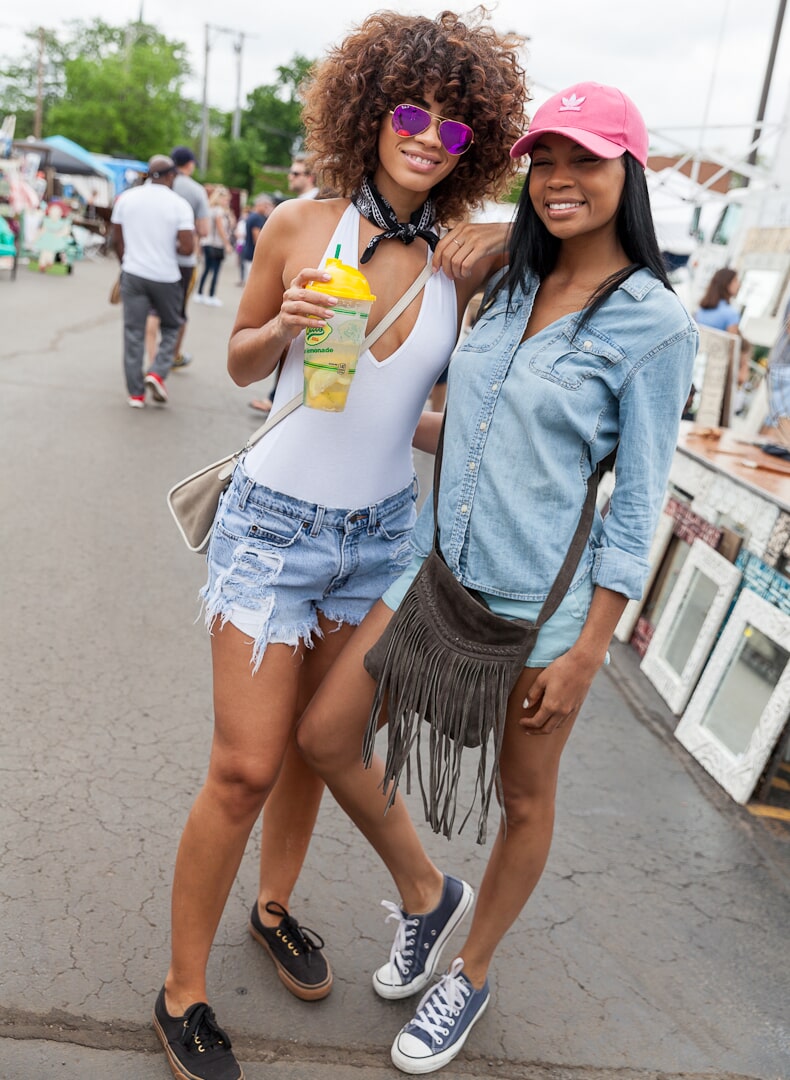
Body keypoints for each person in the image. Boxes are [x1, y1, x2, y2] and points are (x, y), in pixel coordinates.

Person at [152, 12, 528, 1080]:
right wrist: (284, 328)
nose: (427, 137)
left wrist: (503, 241)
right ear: (370, 112)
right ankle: (182, 993)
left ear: (477, 148)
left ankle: (273, 908)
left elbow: (418, 412)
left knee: (321, 744)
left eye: (456, 128)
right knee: (242, 767)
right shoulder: (296, 224)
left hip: (377, 537)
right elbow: (238, 366)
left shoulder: (462, 265)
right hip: (272, 527)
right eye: (411, 112)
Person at [294, 82, 698, 1074]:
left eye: (585, 161)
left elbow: (637, 504)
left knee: (524, 801)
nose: (559, 180)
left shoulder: (654, 326)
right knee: (324, 736)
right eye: (544, 161)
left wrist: (592, 652)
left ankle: (468, 974)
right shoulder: (507, 283)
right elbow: (455, 413)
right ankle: (431, 900)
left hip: (541, 615)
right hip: (432, 571)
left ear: (627, 173)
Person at [110, 155, 194, 408]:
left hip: (133, 274)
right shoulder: (179, 205)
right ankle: (157, 372)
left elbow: (116, 239)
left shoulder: (127, 198)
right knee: (171, 326)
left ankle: (136, 394)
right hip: (166, 277)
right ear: (170, 176)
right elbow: (188, 248)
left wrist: (127, 260)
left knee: (133, 331)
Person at [169, 145, 210, 368]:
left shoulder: (160, 184)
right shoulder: (195, 190)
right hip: (184, 260)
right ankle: (174, 354)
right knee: (179, 311)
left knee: (154, 310)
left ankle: (153, 352)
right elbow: (204, 230)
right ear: (190, 164)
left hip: (157, 256)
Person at [695, 267, 751, 388]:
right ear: (726, 284)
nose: (739, 285)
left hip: (697, 364)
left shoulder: (701, 310)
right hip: (717, 371)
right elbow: (733, 348)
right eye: (735, 281)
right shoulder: (730, 313)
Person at [194, 186, 234, 306]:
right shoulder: (219, 211)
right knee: (215, 270)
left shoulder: (211, 209)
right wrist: (227, 244)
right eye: (225, 200)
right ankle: (210, 294)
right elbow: (221, 229)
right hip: (216, 244)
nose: (227, 202)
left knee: (207, 269)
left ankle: (200, 292)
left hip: (207, 243)